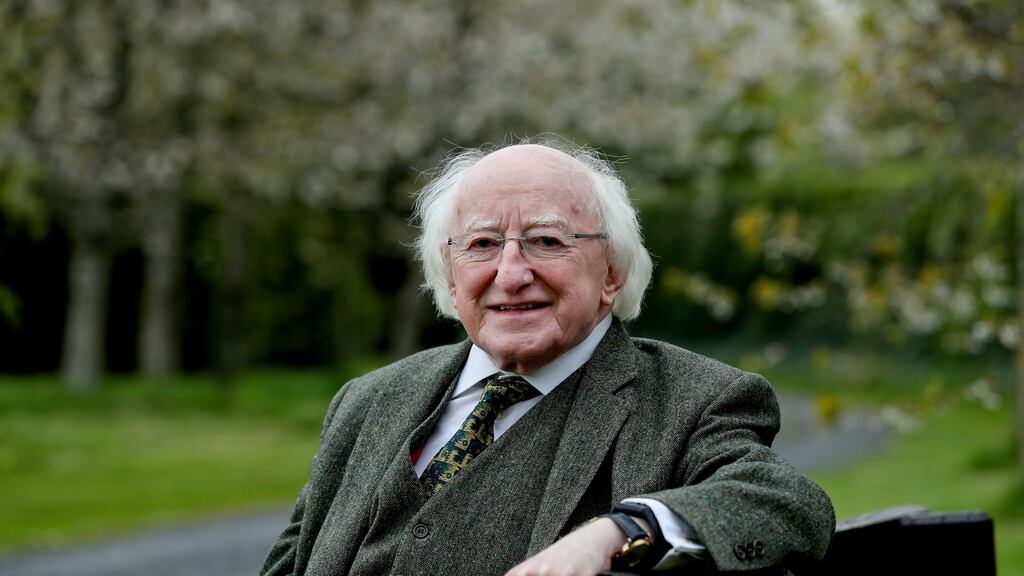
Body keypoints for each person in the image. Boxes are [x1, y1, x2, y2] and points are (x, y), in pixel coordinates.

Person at [260, 140, 834, 576]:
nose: (511, 274)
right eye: (483, 244)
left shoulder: (697, 401)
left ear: (612, 272)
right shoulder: (368, 400)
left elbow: (790, 504)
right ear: (451, 276)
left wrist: (621, 530)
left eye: (547, 241)